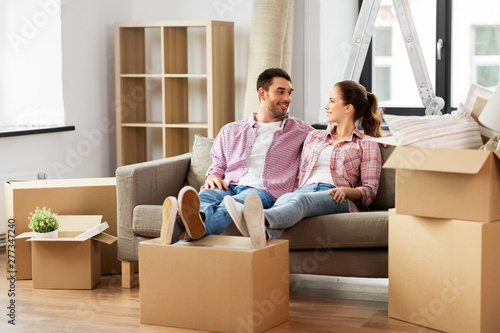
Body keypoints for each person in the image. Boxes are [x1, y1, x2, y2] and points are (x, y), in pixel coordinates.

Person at [160, 68, 314, 246]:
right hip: (229, 184)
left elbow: (329, 144)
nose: (287, 98)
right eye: (281, 92)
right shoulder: (230, 130)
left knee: (229, 206)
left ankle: (175, 230)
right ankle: (191, 223)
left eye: (289, 93)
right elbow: (218, 163)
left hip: (265, 191)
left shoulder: (301, 130)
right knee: (207, 195)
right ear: (262, 93)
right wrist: (212, 175)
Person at [225, 80, 383, 245]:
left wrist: (345, 191)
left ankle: (258, 219)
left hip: (335, 195)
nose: (326, 106)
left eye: (332, 100)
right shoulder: (314, 136)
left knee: (301, 201)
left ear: (348, 108)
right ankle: (264, 232)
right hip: (303, 190)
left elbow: (369, 191)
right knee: (287, 200)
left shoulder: (366, 143)